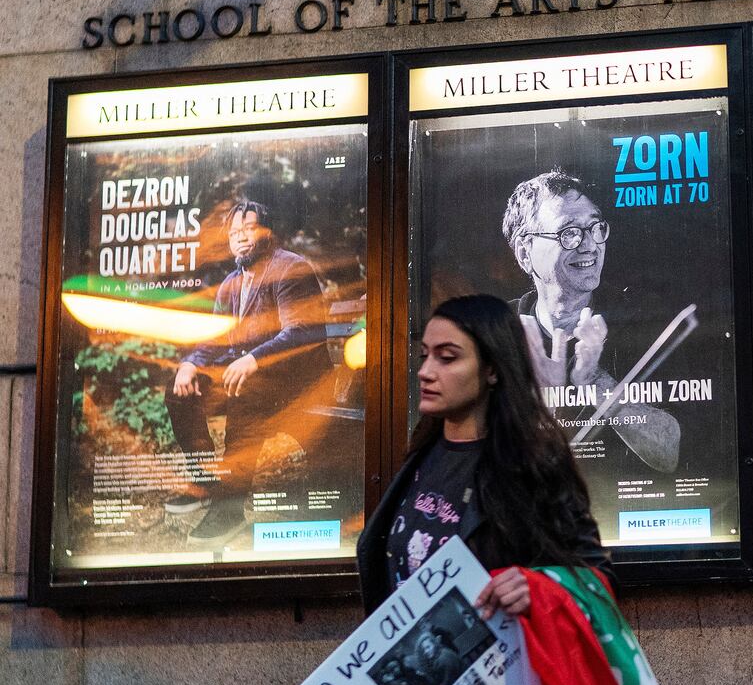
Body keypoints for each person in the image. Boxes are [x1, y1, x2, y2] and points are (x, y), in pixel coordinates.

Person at [354, 294, 611, 617]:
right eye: (424, 356)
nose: (426, 371)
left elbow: (595, 579)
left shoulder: (530, 463)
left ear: (492, 369)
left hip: (496, 662)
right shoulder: (422, 450)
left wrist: (537, 588)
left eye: (447, 358)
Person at [164, 199, 327, 544]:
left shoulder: (289, 268)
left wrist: (253, 359)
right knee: (179, 390)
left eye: (248, 229)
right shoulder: (230, 284)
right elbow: (217, 340)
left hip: (298, 382)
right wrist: (190, 363)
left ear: (267, 232)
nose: (239, 237)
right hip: (252, 379)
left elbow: (301, 332)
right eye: (234, 232)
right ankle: (206, 480)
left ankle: (229, 508)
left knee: (246, 391)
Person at [501, 170, 681, 473]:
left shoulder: (640, 320)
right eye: (568, 233)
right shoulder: (495, 332)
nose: (589, 245)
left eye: (596, 228)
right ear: (524, 253)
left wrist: (595, 382)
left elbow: (671, 453)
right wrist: (543, 399)